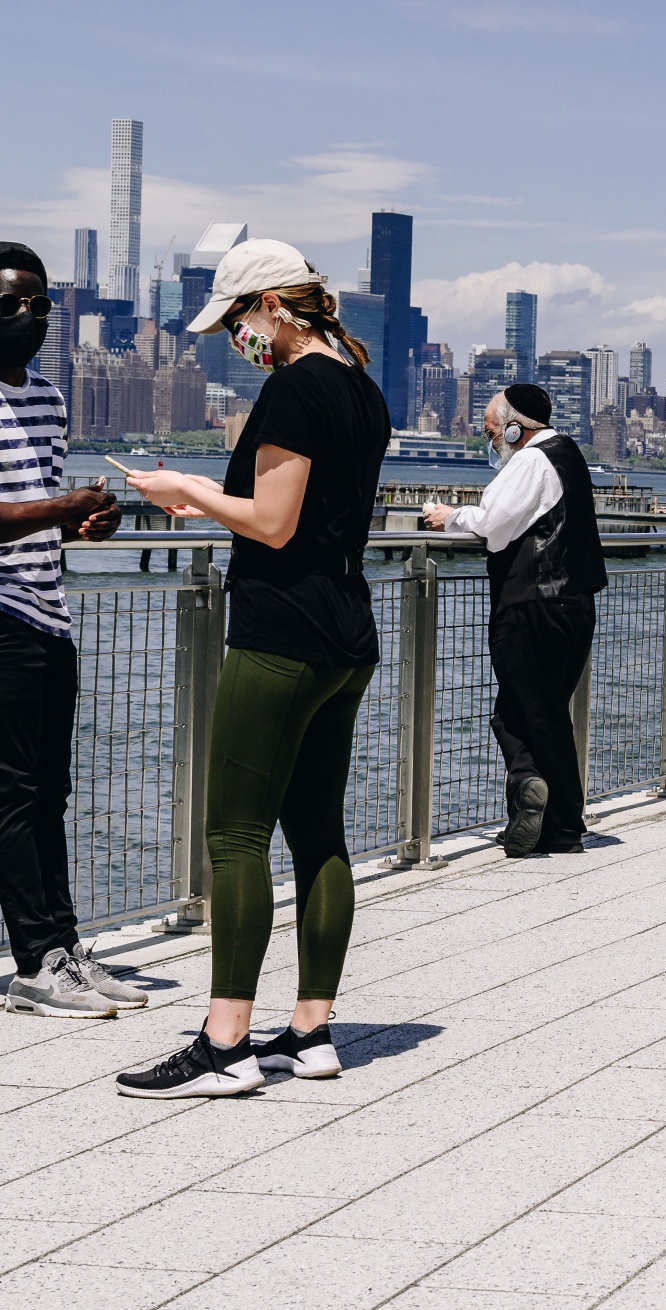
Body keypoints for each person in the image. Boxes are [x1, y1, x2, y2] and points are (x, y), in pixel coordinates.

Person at [114, 238, 388, 1097]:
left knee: (233, 832)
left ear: (273, 304)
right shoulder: (360, 388)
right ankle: (310, 1031)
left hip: (281, 635)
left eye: (238, 318)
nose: (237, 336)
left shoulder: (295, 386)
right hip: (347, 633)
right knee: (319, 834)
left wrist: (184, 491)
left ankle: (225, 1041)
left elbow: (272, 522)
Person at [0, 240, 144, 1018]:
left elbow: (30, 509)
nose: (25, 317)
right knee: (13, 789)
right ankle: (35, 967)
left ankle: (64, 950)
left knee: (49, 790)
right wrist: (60, 508)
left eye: (38, 304)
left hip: (43, 610)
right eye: (6, 304)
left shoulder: (48, 397)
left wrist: (85, 523)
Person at [423, 384, 606, 856]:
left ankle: (562, 823)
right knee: (521, 712)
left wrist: (448, 516)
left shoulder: (529, 460)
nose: (490, 442)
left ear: (512, 427)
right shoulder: (568, 454)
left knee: (537, 715)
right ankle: (530, 800)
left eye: (491, 432)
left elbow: (493, 522)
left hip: (532, 604)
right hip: (574, 605)